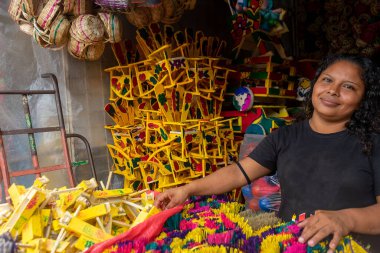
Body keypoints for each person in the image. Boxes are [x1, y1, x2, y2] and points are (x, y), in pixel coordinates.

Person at [154, 54, 380, 252]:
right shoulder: (284, 137)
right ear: (314, 85)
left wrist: (346, 219)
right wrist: (187, 190)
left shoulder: (373, 145)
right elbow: (237, 174)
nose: (333, 90)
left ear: (364, 99)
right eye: (327, 80)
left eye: (348, 86)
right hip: (292, 246)